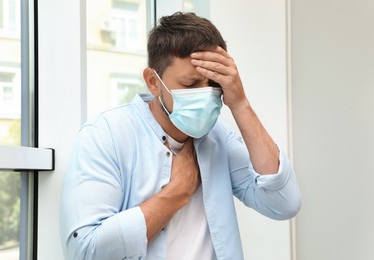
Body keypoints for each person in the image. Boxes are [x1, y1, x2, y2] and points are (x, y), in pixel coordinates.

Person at [59, 12, 301, 260]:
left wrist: (239, 103)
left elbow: (283, 204)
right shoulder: (106, 134)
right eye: (190, 84)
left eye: (214, 84)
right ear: (153, 82)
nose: (206, 94)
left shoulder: (218, 137)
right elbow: (84, 251)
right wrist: (177, 193)